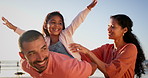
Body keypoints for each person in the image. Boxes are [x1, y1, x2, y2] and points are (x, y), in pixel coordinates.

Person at [2, 0, 98, 61]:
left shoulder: (66, 34)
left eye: (60, 23)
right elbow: (28, 35)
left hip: (73, 65)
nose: (56, 25)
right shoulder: (44, 40)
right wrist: (13, 28)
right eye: (53, 22)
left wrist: (88, 9)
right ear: (46, 25)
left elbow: (77, 21)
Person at [69, 14, 146, 78]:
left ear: (125, 30)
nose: (108, 29)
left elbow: (112, 73)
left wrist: (88, 52)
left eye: (112, 27)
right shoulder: (106, 48)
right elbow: (83, 57)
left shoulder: (130, 48)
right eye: (108, 26)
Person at [18, 30, 97, 78]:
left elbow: (93, 67)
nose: (41, 58)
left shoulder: (68, 70)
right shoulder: (24, 65)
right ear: (23, 56)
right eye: (32, 53)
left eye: (43, 49)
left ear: (46, 45)